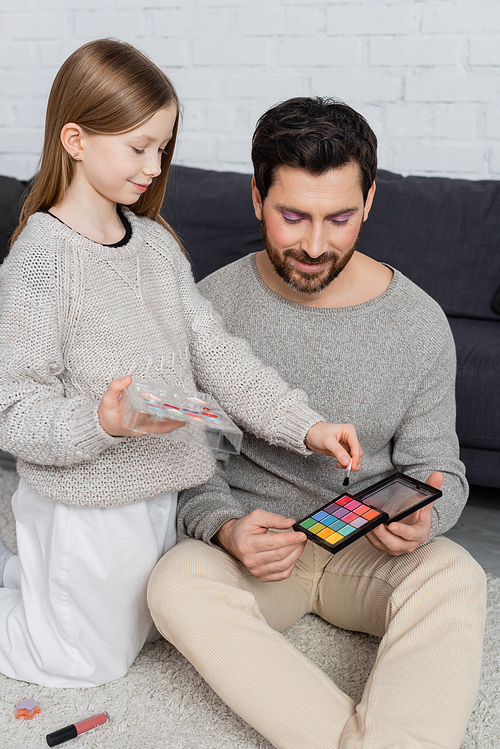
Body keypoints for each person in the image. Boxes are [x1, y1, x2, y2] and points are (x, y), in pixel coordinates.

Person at [0, 49, 361, 689]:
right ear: (75, 140)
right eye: (138, 147)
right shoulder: (39, 261)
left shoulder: (156, 244)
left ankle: (29, 569)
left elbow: (217, 354)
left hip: (162, 490)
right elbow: (12, 412)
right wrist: (101, 421)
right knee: (80, 666)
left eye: (162, 149)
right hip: (88, 503)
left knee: (153, 629)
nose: (154, 167)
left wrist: (307, 426)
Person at [148, 97, 487, 749]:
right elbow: (186, 459)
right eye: (293, 215)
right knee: (173, 583)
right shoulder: (209, 306)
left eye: (338, 218)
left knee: (457, 574)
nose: (314, 243)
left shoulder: (418, 322)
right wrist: (224, 527)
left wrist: (425, 517)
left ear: (368, 202)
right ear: (256, 198)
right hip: (260, 551)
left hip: (367, 551)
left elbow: (440, 469)